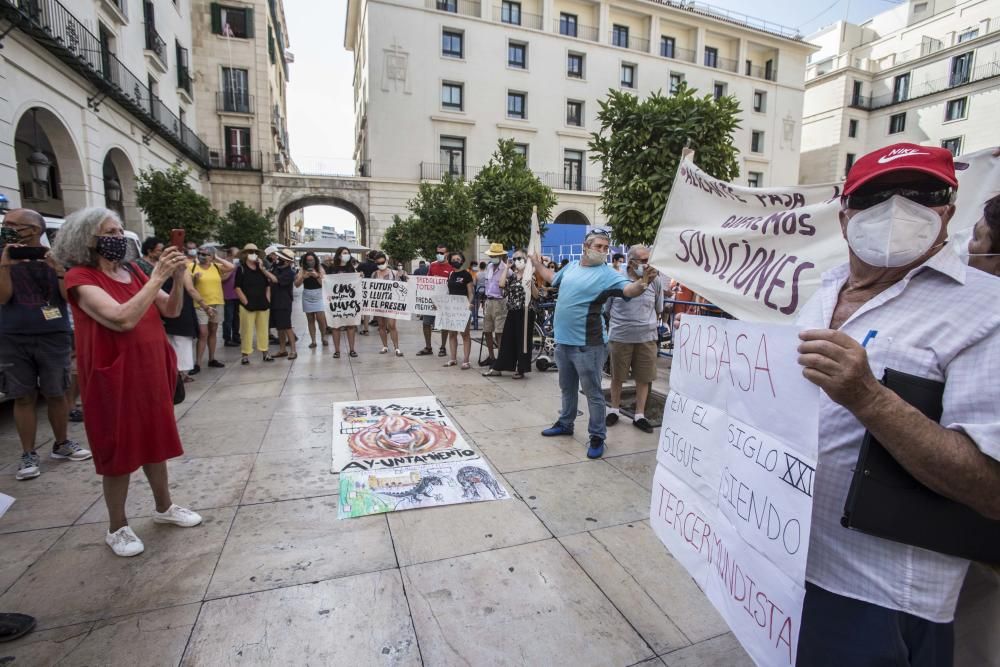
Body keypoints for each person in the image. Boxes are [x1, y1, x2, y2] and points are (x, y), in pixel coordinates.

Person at [791, 143, 1000, 665]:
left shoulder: (986, 310)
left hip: (878, 597)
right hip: (784, 561)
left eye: (920, 194)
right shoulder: (820, 289)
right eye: (876, 196)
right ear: (845, 217)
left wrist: (869, 398)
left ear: (947, 210)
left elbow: (991, 489)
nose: (895, 209)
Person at [53, 207, 202, 557]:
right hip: (113, 372)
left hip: (149, 369)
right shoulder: (79, 278)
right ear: (87, 238)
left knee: (155, 440)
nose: (119, 238)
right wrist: (156, 278)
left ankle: (164, 507)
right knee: (117, 449)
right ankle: (117, 526)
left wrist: (176, 278)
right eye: (110, 232)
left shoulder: (133, 270)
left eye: (121, 231)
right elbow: (121, 319)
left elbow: (171, 310)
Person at [529, 230, 658, 459]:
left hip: (588, 345)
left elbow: (630, 290)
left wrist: (645, 281)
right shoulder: (570, 268)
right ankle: (565, 423)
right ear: (585, 246)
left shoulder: (607, 274)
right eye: (598, 246)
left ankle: (597, 436)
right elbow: (550, 277)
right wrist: (535, 262)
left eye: (606, 248)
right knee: (567, 388)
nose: (602, 251)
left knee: (593, 393)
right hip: (564, 343)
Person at [0, 208, 91, 480]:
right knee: (23, 396)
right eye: (7, 224)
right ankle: (28, 453)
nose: (9, 228)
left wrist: (59, 269)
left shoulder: (56, 258)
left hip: (53, 334)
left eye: (16, 224)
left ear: (36, 229)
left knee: (56, 392)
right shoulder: (2, 258)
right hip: (13, 336)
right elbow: (3, 298)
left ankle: (62, 443)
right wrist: (5, 264)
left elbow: (68, 297)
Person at [605, 245, 662, 433]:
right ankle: (614, 409)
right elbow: (608, 308)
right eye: (644, 261)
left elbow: (658, 307)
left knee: (643, 377)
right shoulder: (615, 279)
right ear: (631, 262)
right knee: (617, 376)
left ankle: (639, 415)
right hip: (621, 335)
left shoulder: (655, 281)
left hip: (646, 337)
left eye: (649, 261)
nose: (647, 265)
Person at [483, 248, 538, 379]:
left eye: (519, 258)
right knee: (508, 339)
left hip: (525, 312)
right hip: (512, 310)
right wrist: (507, 268)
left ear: (526, 260)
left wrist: (530, 282)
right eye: (514, 258)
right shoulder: (512, 276)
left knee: (522, 341)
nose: (517, 261)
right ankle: (499, 367)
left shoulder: (530, 275)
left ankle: (521, 369)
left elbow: (536, 295)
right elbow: (501, 284)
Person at [189, 246, 234, 373]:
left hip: (217, 302)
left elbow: (231, 267)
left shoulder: (216, 267)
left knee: (213, 331)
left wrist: (217, 258)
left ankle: (211, 359)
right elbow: (188, 284)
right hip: (200, 305)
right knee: (203, 333)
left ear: (211, 256)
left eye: (205, 254)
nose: (201, 256)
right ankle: (197, 363)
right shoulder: (192, 267)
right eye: (200, 253)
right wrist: (194, 279)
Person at [234, 243, 275, 365]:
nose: (252, 254)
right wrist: (245, 301)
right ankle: (245, 355)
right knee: (246, 330)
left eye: (254, 252)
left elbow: (269, 284)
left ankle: (265, 353)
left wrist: (268, 299)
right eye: (249, 252)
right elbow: (237, 287)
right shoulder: (240, 269)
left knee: (263, 330)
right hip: (247, 305)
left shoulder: (261, 268)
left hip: (262, 303)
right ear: (245, 254)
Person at [161, 264, 201, 385]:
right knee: (182, 342)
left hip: (167, 309)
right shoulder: (183, 270)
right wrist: (204, 306)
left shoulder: (161, 270)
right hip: (181, 310)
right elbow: (190, 289)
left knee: (172, 341)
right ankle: (181, 373)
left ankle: (174, 372)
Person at [417, 243, 453, 356]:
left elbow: (452, 284)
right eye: (437, 252)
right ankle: (428, 347)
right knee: (426, 323)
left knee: (444, 324)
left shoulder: (451, 267)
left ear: (446, 253)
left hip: (444, 301)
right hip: (431, 300)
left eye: (441, 253)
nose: (439, 255)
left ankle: (443, 347)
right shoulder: (432, 265)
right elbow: (427, 281)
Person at [324, 246, 359, 358]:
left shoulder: (351, 268)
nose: (347, 254)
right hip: (336, 302)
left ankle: (352, 349)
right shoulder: (331, 268)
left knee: (350, 325)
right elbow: (327, 283)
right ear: (339, 255)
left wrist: (359, 276)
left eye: (348, 253)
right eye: (344, 253)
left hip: (349, 301)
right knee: (335, 326)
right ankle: (337, 350)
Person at [442, 251, 474, 369]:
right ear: (450, 261)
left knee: (465, 334)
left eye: (458, 259)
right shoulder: (450, 274)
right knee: (452, 334)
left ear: (462, 261)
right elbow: (447, 291)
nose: (456, 261)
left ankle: (466, 360)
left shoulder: (466, 275)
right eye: (454, 259)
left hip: (463, 308)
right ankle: (453, 359)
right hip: (451, 308)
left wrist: (469, 303)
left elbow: (470, 292)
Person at [479, 243, 509, 366]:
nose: (493, 257)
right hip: (488, 301)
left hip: (500, 302)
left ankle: (501, 359)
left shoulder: (507, 269)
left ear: (501, 255)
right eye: (491, 255)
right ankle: (491, 357)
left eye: (495, 255)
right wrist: (483, 300)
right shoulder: (489, 267)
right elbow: (487, 284)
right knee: (487, 330)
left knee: (499, 332)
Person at [371, 251, 403, 357]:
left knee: (392, 325)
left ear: (386, 260)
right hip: (379, 303)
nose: (380, 265)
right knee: (381, 325)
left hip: (391, 303)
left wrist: (402, 276)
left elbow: (400, 287)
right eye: (378, 263)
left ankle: (396, 347)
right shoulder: (374, 274)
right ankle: (385, 346)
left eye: (382, 262)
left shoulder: (394, 273)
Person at [295, 251, 329, 349]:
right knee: (310, 319)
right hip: (307, 295)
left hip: (319, 295)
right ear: (305, 261)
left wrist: (317, 276)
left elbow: (325, 284)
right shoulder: (302, 269)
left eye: (312, 260)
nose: (310, 262)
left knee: (321, 320)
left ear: (315, 260)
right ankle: (313, 341)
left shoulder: (320, 268)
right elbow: (296, 285)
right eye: (308, 260)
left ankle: (323, 337)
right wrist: (303, 277)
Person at [269, 248, 297, 360]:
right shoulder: (276, 268)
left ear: (286, 261)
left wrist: (264, 270)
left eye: (280, 258)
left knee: (287, 326)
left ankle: (293, 351)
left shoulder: (289, 273)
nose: (278, 259)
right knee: (279, 328)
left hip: (284, 302)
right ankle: (282, 350)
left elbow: (275, 280)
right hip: (275, 301)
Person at [222, 246, 241, 348]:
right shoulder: (223, 264)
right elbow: (222, 278)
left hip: (237, 295)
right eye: (235, 255)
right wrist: (231, 269)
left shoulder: (238, 264)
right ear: (229, 255)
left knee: (236, 318)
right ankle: (227, 338)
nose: (237, 257)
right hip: (228, 295)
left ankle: (236, 336)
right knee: (228, 317)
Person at [357, 250, 378, 335]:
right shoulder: (378, 266)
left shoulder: (362, 264)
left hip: (364, 288)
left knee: (366, 309)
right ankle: (383, 327)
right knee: (379, 307)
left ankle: (366, 329)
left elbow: (357, 274)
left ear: (368, 256)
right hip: (376, 289)